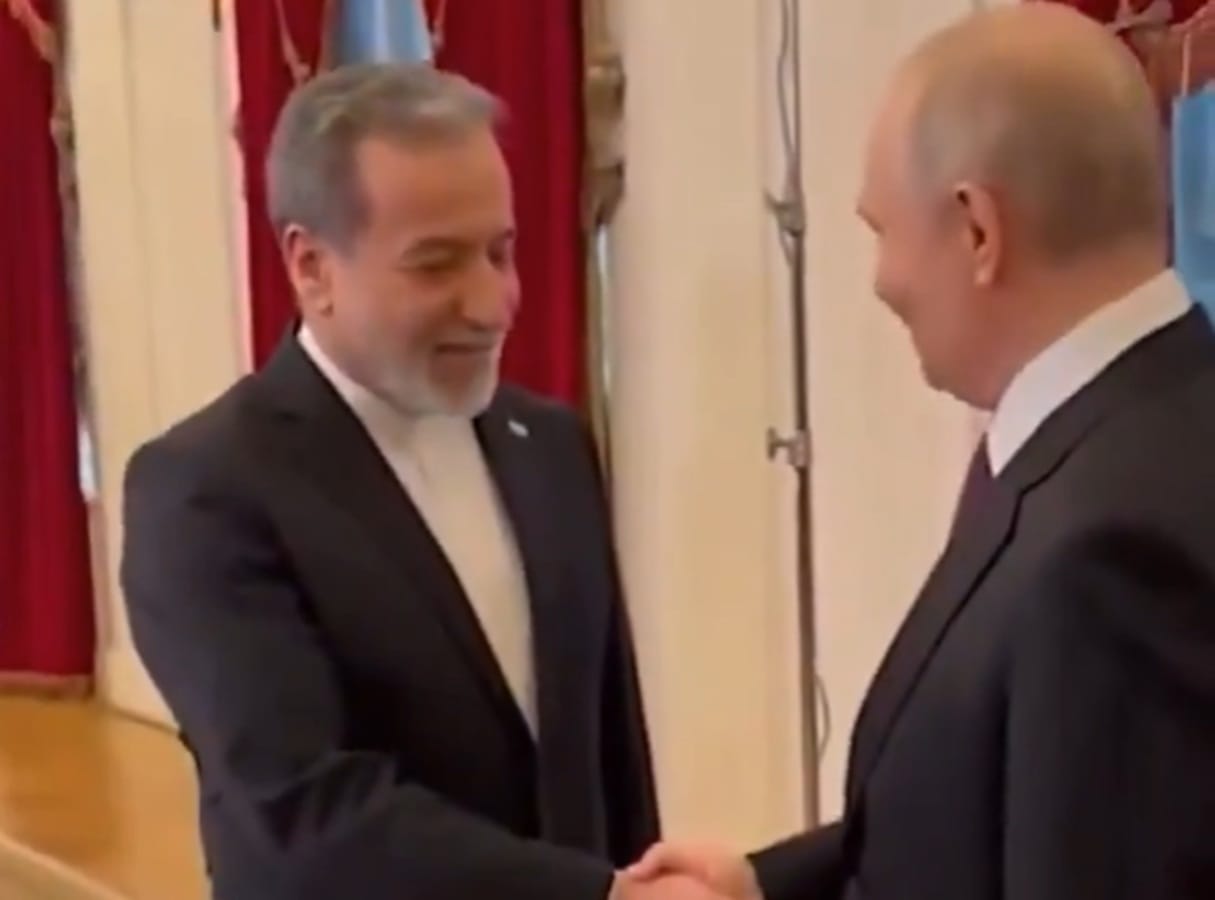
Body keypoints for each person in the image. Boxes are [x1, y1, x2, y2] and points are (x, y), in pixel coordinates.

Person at [626, 4, 1215, 899]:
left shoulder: (1108, 550)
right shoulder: (1127, 428)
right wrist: (762, 883)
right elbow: (979, 795)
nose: (881, 281)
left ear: (977, 231)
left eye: (881, 231)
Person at [120, 63, 709, 900]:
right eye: (436, 265)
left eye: (500, 251)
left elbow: (610, 755)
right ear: (311, 267)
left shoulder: (550, 445)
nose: (492, 303)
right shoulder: (206, 492)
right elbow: (307, 811)